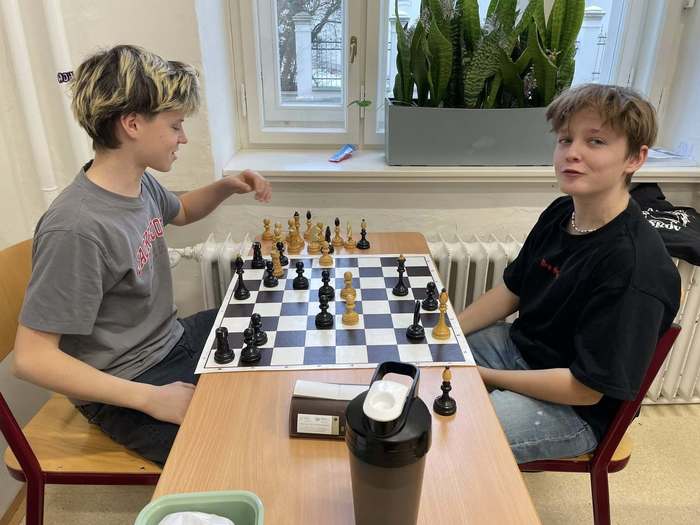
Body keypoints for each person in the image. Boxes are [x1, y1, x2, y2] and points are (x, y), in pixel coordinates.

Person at [12, 44, 271, 465]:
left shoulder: (139, 183)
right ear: (132, 124)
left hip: (172, 340)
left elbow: (182, 211)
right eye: (175, 125)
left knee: (271, 331)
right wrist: (150, 399)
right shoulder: (76, 228)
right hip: (127, 385)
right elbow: (31, 358)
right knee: (236, 456)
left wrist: (227, 186)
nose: (183, 138)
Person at [458, 84, 681, 464]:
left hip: (577, 408)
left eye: (595, 141)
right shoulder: (562, 212)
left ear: (635, 158)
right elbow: (512, 290)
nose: (572, 153)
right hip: (520, 350)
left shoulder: (633, 266)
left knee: (455, 436)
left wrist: (486, 377)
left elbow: (586, 390)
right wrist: (446, 332)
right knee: (426, 363)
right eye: (565, 139)